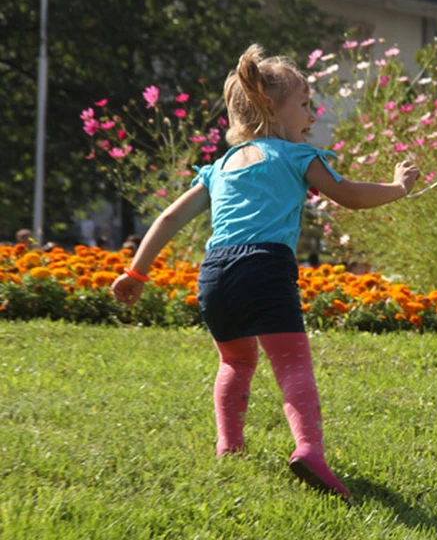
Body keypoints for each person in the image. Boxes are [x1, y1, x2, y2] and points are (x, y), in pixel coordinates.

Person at [112, 44, 420, 501]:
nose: (312, 115)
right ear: (270, 109)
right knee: (292, 364)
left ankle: (229, 447)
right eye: (304, 104)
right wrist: (397, 187)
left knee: (235, 360)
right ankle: (310, 451)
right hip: (266, 266)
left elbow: (168, 219)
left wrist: (136, 274)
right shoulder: (298, 158)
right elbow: (349, 196)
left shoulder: (217, 168)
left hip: (215, 273)